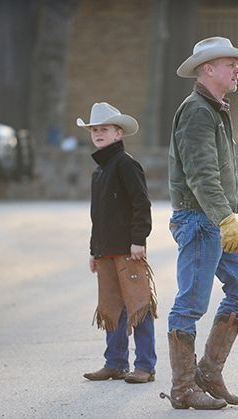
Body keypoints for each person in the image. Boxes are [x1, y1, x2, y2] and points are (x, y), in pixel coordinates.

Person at [161, 37, 238, 410]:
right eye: (230, 63)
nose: (237, 69)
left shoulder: (214, 109)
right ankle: (183, 389)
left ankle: (208, 372)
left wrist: (224, 219)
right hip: (201, 220)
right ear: (207, 69)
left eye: (237, 63)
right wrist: (224, 218)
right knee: (190, 303)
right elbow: (201, 175)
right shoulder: (197, 112)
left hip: (214, 220)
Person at [79, 102, 157, 384]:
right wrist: (93, 250)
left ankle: (146, 366)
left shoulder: (126, 164)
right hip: (105, 251)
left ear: (118, 133)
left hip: (128, 250)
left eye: (104, 129)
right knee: (111, 308)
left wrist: (139, 240)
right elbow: (97, 216)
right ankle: (115, 363)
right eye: (94, 130)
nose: (98, 133)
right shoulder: (99, 171)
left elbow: (141, 204)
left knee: (138, 306)